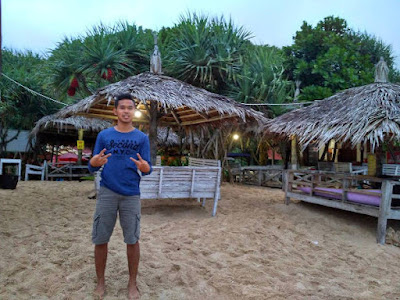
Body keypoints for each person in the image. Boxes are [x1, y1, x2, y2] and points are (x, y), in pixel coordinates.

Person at [88, 93, 152, 299]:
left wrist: (145, 167)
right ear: (115, 111)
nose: (126, 111)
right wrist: (94, 163)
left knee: (132, 239)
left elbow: (148, 167)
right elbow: (93, 163)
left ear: (134, 111)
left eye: (129, 107)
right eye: (122, 107)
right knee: (100, 239)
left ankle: (132, 283)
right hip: (107, 192)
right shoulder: (104, 136)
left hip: (131, 194)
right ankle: (100, 282)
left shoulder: (142, 138)